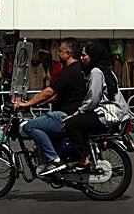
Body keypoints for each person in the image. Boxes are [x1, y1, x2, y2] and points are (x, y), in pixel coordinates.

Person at [14, 39, 86, 176]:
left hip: (63, 116)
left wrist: (27, 104)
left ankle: (54, 160)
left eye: (60, 51)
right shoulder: (79, 69)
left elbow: (50, 91)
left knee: (29, 126)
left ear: (68, 54)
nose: (58, 54)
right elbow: (60, 95)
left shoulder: (69, 71)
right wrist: (40, 102)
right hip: (71, 113)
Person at [63, 41, 131, 172]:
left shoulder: (96, 72)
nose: (82, 58)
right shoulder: (107, 71)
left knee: (72, 124)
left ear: (93, 56)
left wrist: (79, 112)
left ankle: (83, 160)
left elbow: (93, 98)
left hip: (105, 114)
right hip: (115, 112)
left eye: (84, 55)